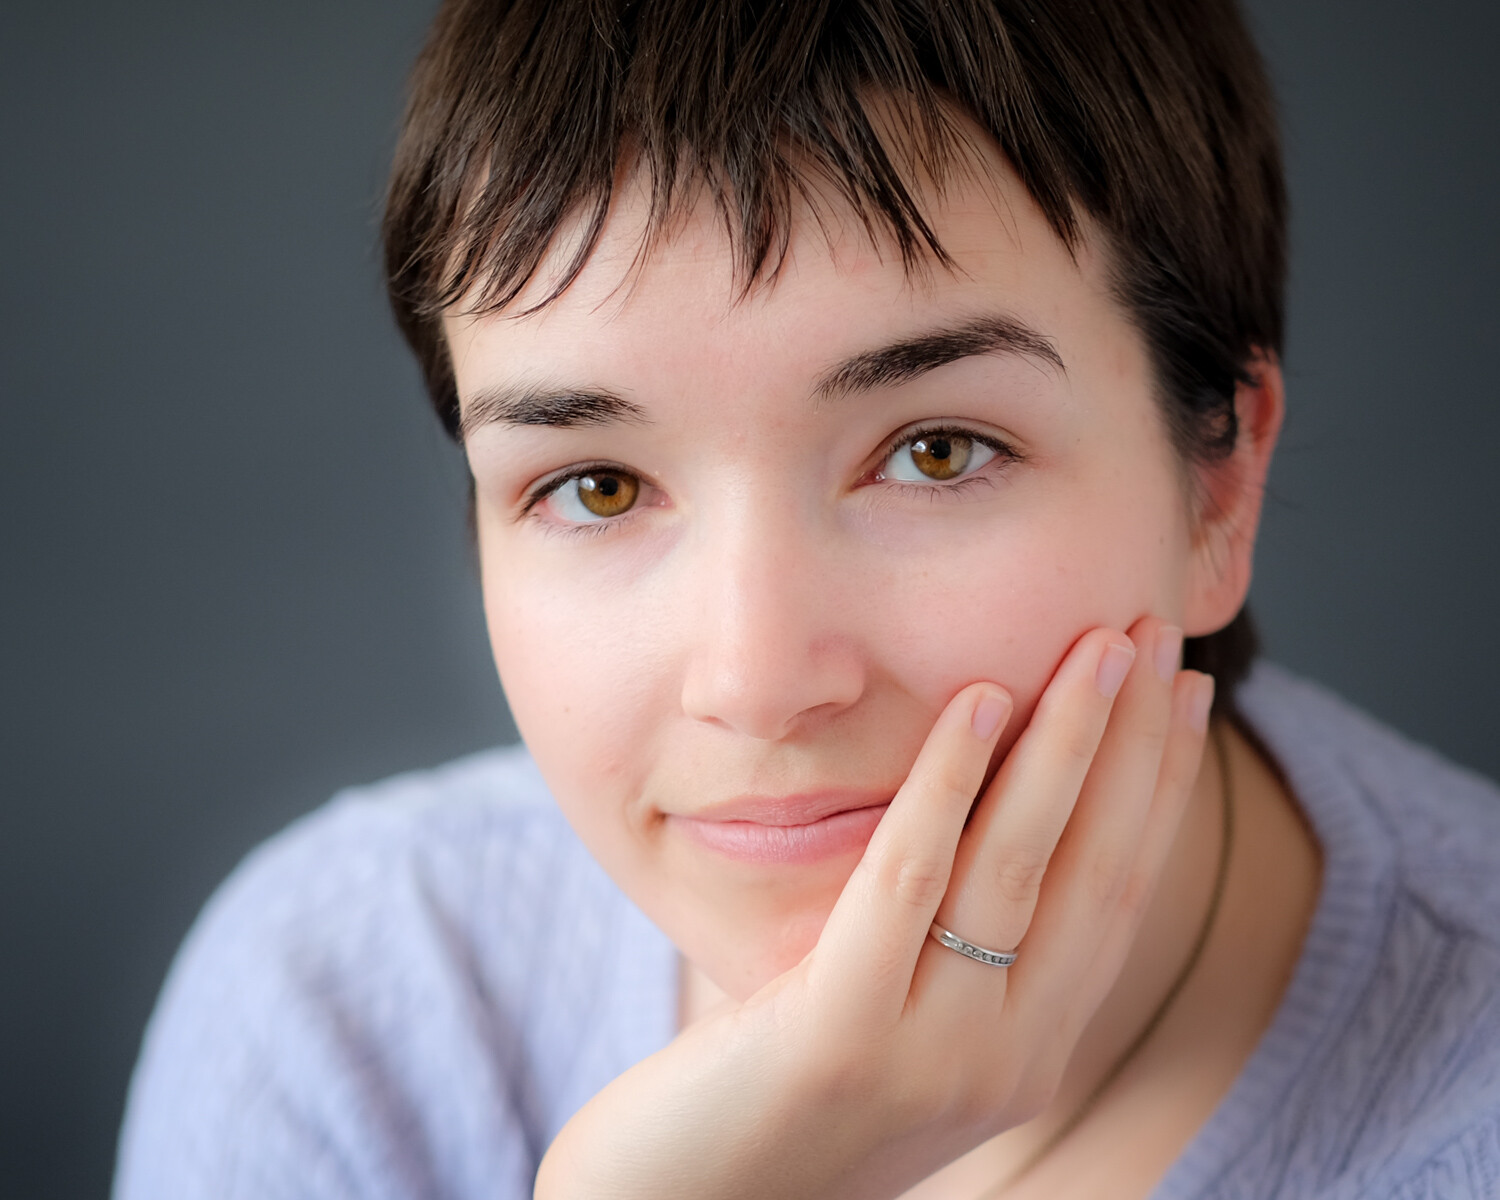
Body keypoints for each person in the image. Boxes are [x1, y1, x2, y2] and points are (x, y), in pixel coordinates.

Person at [113, 1, 1500, 1197]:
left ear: (1220, 485)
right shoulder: (348, 1002)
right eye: (594, 485)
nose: (758, 678)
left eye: (936, 452)